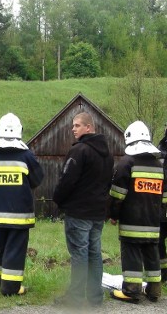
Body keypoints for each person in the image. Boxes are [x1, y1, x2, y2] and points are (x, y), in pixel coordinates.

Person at [52, 112, 113, 307]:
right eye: (73, 125)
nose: (73, 129)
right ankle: (95, 298)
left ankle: (75, 298)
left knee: (79, 254)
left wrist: (58, 199)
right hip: (97, 213)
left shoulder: (80, 151)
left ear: (89, 127)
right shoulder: (108, 154)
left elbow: (67, 180)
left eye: (77, 125)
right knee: (95, 254)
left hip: (79, 213)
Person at [0, 113, 44, 296]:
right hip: (19, 215)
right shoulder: (26, 155)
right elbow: (37, 179)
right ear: (20, 131)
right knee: (15, 250)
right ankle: (10, 288)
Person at [109, 121, 164, 303]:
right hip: (153, 222)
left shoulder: (127, 162)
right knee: (152, 255)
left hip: (132, 222)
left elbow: (118, 194)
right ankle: (154, 291)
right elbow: (163, 196)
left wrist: (113, 215)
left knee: (131, 254)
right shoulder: (158, 164)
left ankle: (132, 291)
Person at [157, 124, 167, 282]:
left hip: (161, 206)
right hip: (160, 206)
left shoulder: (161, 149)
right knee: (158, 241)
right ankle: (164, 275)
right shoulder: (160, 148)